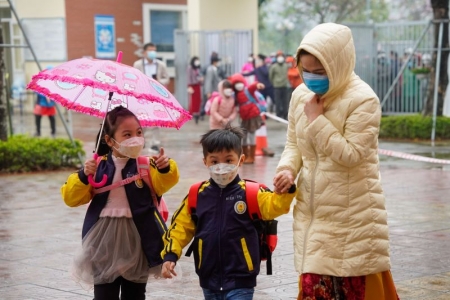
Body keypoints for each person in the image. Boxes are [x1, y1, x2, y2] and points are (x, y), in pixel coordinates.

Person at [273, 23, 399, 299]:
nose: (311, 78)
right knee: (314, 288)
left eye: (320, 72)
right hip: (313, 213)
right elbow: (294, 144)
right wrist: (287, 169)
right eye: (306, 71)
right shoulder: (300, 96)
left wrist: (317, 120)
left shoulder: (363, 100)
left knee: (353, 287)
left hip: (352, 216)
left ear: (338, 65)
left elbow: (352, 155)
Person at [160, 124, 296, 300]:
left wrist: (286, 190)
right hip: (208, 278)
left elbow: (274, 205)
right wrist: (170, 255)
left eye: (229, 160)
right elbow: (180, 228)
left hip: (242, 279)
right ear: (205, 162)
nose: (221, 167)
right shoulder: (196, 195)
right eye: (215, 161)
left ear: (240, 160)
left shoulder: (251, 193)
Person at [61, 106, 179, 300]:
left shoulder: (147, 164)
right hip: (103, 238)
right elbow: (71, 198)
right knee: (104, 293)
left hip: (139, 236)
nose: (135, 138)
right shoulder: (97, 166)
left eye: (139, 133)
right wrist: (83, 175)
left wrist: (165, 168)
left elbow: (163, 184)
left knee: (135, 293)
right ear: (109, 140)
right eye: (127, 134)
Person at [133, 42, 169, 153]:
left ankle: (155, 143)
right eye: (150, 50)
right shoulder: (138, 64)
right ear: (144, 52)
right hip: (142, 96)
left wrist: (159, 81)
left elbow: (166, 78)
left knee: (156, 120)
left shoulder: (161, 64)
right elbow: (134, 78)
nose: (153, 52)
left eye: (154, 50)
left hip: (155, 96)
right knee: (141, 119)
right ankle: (140, 140)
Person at [228, 73, 265, 164]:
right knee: (243, 136)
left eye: (240, 83)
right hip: (244, 118)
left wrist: (258, 84)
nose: (239, 85)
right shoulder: (235, 95)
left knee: (251, 135)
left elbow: (253, 86)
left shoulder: (248, 90)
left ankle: (251, 157)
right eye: (236, 84)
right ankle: (244, 155)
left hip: (253, 116)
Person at [269, 51, 289, 119]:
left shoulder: (286, 66)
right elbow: (270, 76)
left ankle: (285, 115)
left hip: (285, 86)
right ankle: (278, 115)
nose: (280, 57)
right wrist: (274, 83)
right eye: (278, 56)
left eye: (281, 56)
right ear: (276, 57)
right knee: (277, 102)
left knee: (285, 102)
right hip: (277, 86)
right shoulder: (273, 66)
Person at [187, 56, 204, 123]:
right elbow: (189, 77)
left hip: (198, 85)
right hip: (192, 85)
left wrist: (201, 80)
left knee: (199, 100)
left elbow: (200, 76)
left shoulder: (198, 68)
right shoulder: (190, 68)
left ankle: (197, 113)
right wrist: (189, 86)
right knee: (193, 100)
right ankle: (192, 113)